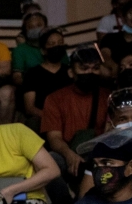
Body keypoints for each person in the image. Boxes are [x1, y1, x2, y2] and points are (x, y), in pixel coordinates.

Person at [42, 44, 111, 185]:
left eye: (95, 68)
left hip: (101, 153)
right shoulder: (55, 98)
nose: (90, 73)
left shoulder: (108, 97)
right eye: (84, 68)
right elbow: (54, 139)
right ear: (71, 72)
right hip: (68, 152)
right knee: (51, 160)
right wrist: (69, 155)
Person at [21, 28, 71, 132]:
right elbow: (30, 108)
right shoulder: (32, 73)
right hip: (43, 117)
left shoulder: (70, 71)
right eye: (52, 43)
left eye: (60, 43)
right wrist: (52, 117)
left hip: (69, 117)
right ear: (43, 50)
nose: (57, 46)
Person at [11, 12, 48, 86]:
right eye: (31, 27)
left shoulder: (56, 48)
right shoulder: (20, 50)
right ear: (25, 31)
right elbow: (17, 77)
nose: (35, 29)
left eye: (39, 25)